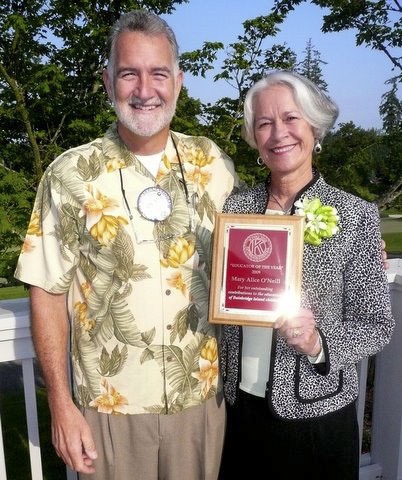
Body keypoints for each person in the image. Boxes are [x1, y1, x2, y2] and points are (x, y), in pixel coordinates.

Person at [14, 10, 239, 480]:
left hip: (198, 402)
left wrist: (331, 243)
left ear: (178, 81)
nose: (144, 89)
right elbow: (46, 291)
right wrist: (60, 404)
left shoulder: (212, 162)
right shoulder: (69, 174)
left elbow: (257, 242)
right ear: (107, 80)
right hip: (106, 408)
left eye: (158, 73)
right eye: (129, 73)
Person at [218, 70, 395, 480]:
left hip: (316, 417)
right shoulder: (235, 209)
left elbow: (376, 326)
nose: (278, 133)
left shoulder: (355, 216)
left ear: (314, 126)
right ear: (254, 139)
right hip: (239, 413)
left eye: (290, 118)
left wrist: (318, 342)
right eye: (264, 123)